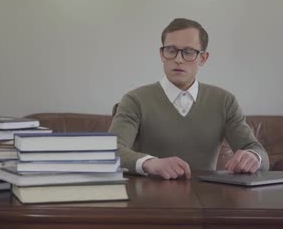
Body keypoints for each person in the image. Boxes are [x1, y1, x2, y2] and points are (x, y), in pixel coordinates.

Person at [109, 18, 269, 180]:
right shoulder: (135, 100)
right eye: (171, 50)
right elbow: (112, 150)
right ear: (162, 55)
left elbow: (257, 150)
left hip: (207, 197)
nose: (178, 59)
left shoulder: (224, 101)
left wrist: (254, 157)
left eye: (188, 52)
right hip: (149, 196)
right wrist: (149, 163)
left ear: (203, 58)